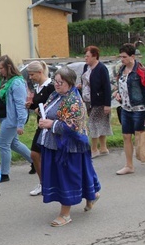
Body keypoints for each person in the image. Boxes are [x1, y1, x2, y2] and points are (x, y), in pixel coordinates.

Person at [38, 66, 101, 227]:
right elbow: (48, 109)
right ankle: (92, 194)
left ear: (70, 83)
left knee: (66, 178)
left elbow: (72, 126)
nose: (57, 85)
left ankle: (65, 214)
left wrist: (51, 124)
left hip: (68, 147)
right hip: (54, 143)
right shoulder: (55, 94)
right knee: (78, 173)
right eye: (55, 81)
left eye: (60, 82)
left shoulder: (73, 101)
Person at [0, 55, 32, 182]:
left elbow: (20, 104)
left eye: (1, 68)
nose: (0, 70)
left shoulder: (17, 82)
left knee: (3, 144)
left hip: (11, 119)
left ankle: (4, 174)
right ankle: (35, 161)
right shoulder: (3, 80)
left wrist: (21, 124)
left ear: (8, 67)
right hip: (3, 117)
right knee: (14, 143)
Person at [113, 43, 145, 175]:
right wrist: (118, 93)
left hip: (139, 108)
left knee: (139, 136)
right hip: (125, 108)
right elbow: (121, 87)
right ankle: (129, 165)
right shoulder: (121, 70)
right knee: (126, 136)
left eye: (124, 57)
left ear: (132, 56)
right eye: (121, 57)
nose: (122, 59)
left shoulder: (141, 72)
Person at [25, 60, 55, 196]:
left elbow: (54, 105)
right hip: (40, 125)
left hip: (49, 126)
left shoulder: (51, 87)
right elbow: (38, 105)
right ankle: (44, 183)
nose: (30, 78)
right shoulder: (38, 88)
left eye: (32, 75)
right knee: (36, 154)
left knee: (37, 154)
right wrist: (30, 106)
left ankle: (47, 183)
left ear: (40, 72)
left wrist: (39, 110)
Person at [81, 45, 113, 158]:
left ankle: (94, 149)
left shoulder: (101, 68)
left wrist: (107, 104)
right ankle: (103, 148)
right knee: (100, 123)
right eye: (85, 56)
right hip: (88, 100)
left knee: (93, 123)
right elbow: (85, 81)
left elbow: (106, 86)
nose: (86, 58)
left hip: (99, 101)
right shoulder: (86, 67)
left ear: (95, 56)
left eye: (88, 56)